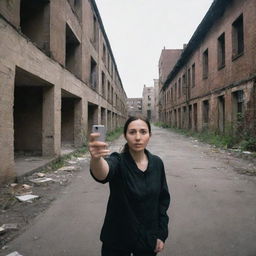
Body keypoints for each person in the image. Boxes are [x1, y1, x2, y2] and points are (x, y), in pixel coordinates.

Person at [89, 116, 170, 256]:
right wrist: (96, 159)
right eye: (132, 132)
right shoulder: (118, 161)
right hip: (117, 239)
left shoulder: (157, 163)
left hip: (147, 239)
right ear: (125, 135)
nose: (138, 137)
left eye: (143, 132)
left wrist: (161, 234)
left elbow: (162, 202)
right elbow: (103, 173)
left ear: (150, 135)